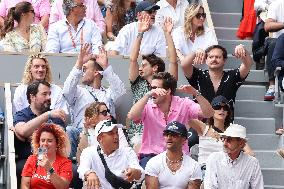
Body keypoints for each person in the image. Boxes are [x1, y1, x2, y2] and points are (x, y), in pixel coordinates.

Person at [127, 72, 214, 168]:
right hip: (151, 156)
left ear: (168, 91)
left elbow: (209, 113)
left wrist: (196, 93)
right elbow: (132, 116)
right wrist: (147, 95)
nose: (152, 91)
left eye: (156, 88)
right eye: (151, 88)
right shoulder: (147, 105)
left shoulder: (183, 104)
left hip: (179, 157)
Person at [63, 43, 125, 157]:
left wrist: (106, 67)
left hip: (105, 133)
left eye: (85, 69)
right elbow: (66, 91)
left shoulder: (108, 93)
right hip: (82, 133)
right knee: (70, 130)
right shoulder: (78, 91)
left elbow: (120, 92)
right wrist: (79, 64)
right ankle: (70, 167)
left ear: (96, 72)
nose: (81, 72)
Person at [127, 15, 178, 147]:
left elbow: (173, 61)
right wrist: (140, 33)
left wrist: (168, 34)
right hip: (139, 134)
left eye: (144, 65)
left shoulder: (165, 82)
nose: (140, 68)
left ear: (155, 68)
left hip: (162, 132)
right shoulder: (137, 82)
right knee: (138, 143)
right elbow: (132, 60)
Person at [13, 80, 66, 187]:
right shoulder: (21, 115)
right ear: (32, 97)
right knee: (20, 167)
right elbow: (23, 131)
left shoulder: (56, 116)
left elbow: (59, 141)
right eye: (44, 94)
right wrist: (47, 115)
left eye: (49, 94)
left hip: (54, 161)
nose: (48, 97)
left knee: (74, 170)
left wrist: (31, 135)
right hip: (28, 160)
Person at [189, 95, 254, 180]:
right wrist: (194, 93)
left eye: (225, 108)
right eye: (217, 107)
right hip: (206, 169)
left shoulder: (233, 130)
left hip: (227, 169)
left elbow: (250, 153)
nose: (222, 110)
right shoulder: (203, 128)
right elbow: (185, 116)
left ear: (228, 112)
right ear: (211, 109)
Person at [181, 44, 253, 115]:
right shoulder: (198, 75)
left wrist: (242, 49)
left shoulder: (232, 76)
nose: (214, 59)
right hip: (200, 124)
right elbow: (184, 65)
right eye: (211, 57)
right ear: (206, 60)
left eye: (218, 57)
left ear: (224, 60)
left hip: (225, 124)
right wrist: (195, 52)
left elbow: (248, 64)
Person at [77, 120, 144, 188]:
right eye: (111, 133)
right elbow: (82, 169)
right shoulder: (89, 152)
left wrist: (134, 172)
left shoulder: (127, 151)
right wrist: (89, 173)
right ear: (100, 139)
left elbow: (141, 174)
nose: (116, 136)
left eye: (116, 132)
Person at [204, 124, 264, 189]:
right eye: (223, 138)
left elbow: (258, 187)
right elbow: (210, 186)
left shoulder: (252, 163)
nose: (224, 143)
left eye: (229, 140)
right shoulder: (214, 159)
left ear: (241, 143)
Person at [145, 121, 202, 189]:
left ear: (184, 140)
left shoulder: (194, 166)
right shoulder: (153, 162)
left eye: (174, 135)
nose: (169, 137)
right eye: (166, 134)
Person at [21, 123, 72, 189]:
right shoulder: (32, 159)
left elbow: (62, 187)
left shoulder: (65, 163)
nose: (45, 144)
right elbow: (24, 186)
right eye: (42, 140)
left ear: (57, 144)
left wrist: (49, 169)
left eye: (49, 141)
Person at [263, 0, 284, 100]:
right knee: (273, 43)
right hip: (280, 45)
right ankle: (272, 85)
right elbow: (267, 26)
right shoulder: (277, 4)